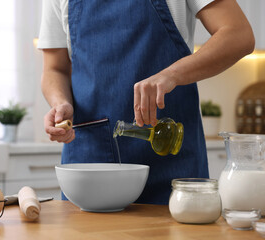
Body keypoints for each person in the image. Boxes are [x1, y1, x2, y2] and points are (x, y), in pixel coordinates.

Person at [37, 0, 255, 204]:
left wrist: (171, 74)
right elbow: (54, 69)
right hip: (89, 167)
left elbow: (238, 34)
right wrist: (61, 103)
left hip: (171, 161)